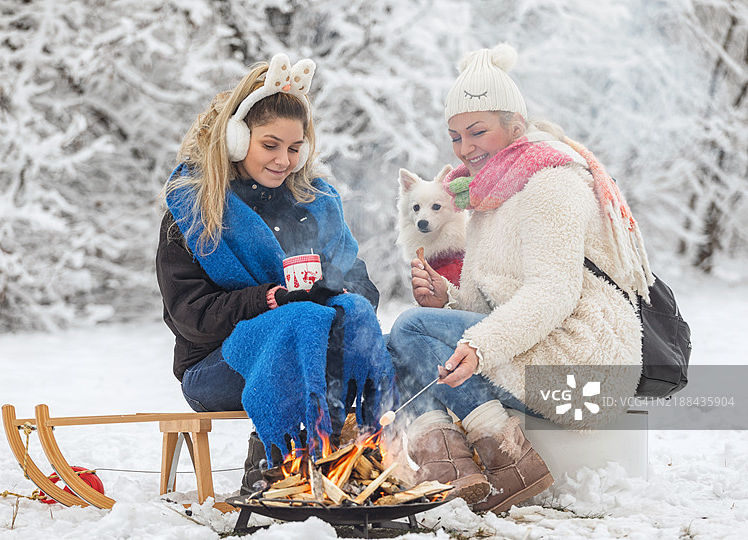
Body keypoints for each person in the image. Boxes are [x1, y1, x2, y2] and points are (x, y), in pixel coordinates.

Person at [386, 43, 653, 514]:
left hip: (583, 376)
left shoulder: (551, 183)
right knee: (404, 339)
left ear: (515, 127)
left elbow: (554, 292)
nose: (465, 148)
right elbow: (491, 306)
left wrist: (479, 344)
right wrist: (448, 300)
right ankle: (466, 471)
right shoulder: (490, 197)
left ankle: (489, 465)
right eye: (455, 136)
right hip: (540, 355)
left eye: (477, 131)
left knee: (409, 330)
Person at [156, 53, 395, 494]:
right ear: (236, 139)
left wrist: (335, 289)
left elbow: (363, 287)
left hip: (315, 353)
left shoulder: (317, 203)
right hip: (216, 367)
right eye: (270, 145)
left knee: (357, 323)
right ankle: (275, 464)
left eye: (294, 148)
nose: (284, 159)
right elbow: (191, 316)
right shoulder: (193, 212)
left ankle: (360, 459)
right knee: (296, 322)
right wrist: (271, 300)